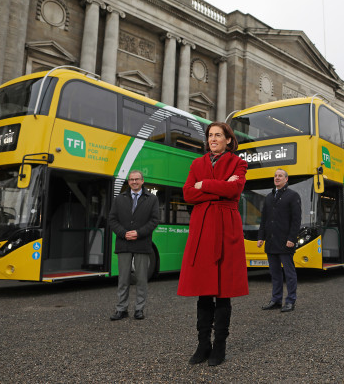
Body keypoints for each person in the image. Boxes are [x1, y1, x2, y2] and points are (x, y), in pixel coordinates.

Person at [177, 122, 248, 367]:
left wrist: (204, 185)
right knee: (204, 292)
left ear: (229, 139)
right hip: (203, 230)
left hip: (226, 230)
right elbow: (187, 193)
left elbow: (235, 189)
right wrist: (220, 188)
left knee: (223, 293)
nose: (213, 139)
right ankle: (203, 344)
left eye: (218, 135)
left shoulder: (238, 163)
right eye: (210, 135)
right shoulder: (197, 164)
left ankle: (220, 346)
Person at [108, 170, 160, 321]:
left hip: (142, 243)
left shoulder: (152, 199)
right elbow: (112, 220)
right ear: (128, 182)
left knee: (141, 279)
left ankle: (139, 309)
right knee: (123, 279)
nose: (134, 182)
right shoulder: (119, 199)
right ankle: (121, 309)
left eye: (137, 179)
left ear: (143, 181)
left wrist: (138, 233)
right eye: (131, 180)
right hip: (123, 243)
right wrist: (124, 233)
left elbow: (154, 220)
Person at [257, 168, 302, 313]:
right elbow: (264, 219)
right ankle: (276, 300)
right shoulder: (269, 197)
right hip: (270, 242)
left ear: (286, 179)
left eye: (280, 176)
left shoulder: (293, 196)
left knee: (289, 273)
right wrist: (261, 237)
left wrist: (291, 239)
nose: (277, 178)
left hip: (285, 242)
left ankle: (290, 301)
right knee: (275, 273)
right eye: (276, 176)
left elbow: (296, 220)